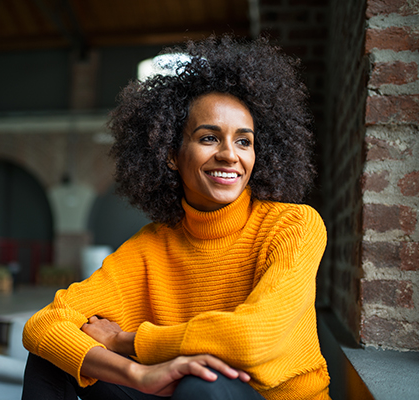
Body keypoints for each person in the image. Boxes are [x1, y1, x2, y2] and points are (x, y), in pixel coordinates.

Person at [22, 35, 330, 400]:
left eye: (244, 141)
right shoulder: (152, 246)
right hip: (177, 392)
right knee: (55, 356)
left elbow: (252, 339)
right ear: (171, 154)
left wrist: (125, 342)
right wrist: (137, 375)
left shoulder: (294, 225)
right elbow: (43, 325)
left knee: (204, 384)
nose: (230, 155)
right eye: (209, 138)